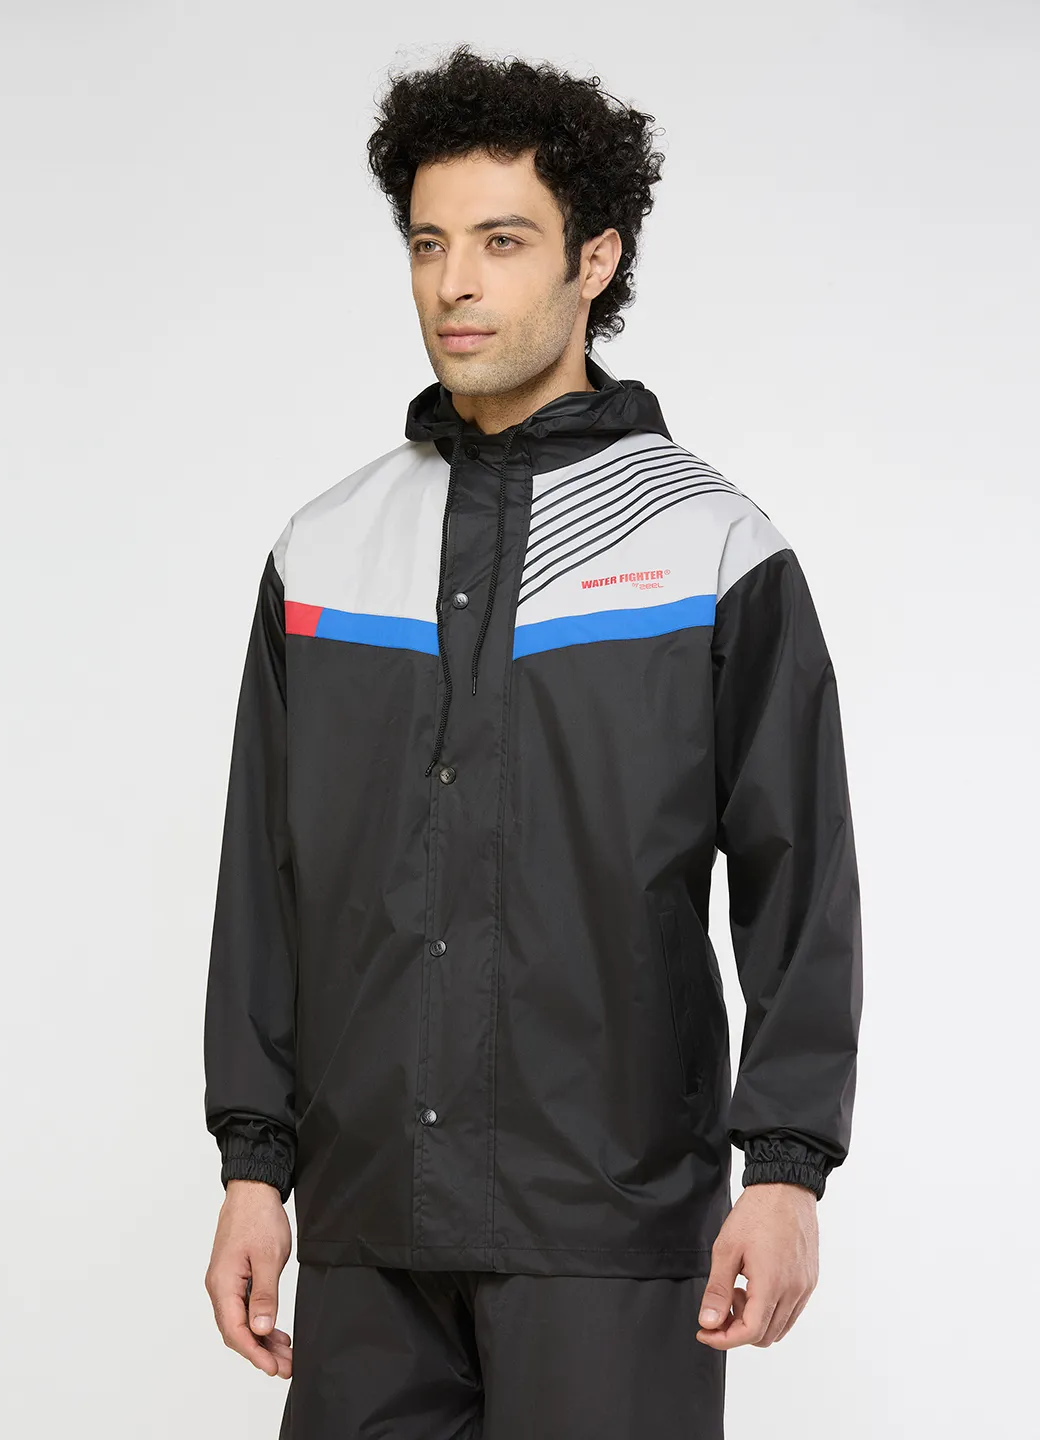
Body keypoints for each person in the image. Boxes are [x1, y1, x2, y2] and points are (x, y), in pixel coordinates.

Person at [202, 44, 863, 1439]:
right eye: (429, 243)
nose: (456, 282)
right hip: (369, 1228)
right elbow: (264, 882)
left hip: (607, 1230)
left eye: (502, 242)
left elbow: (800, 874)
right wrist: (254, 1167)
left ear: (594, 259)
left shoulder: (709, 549)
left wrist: (785, 1169)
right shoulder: (324, 554)